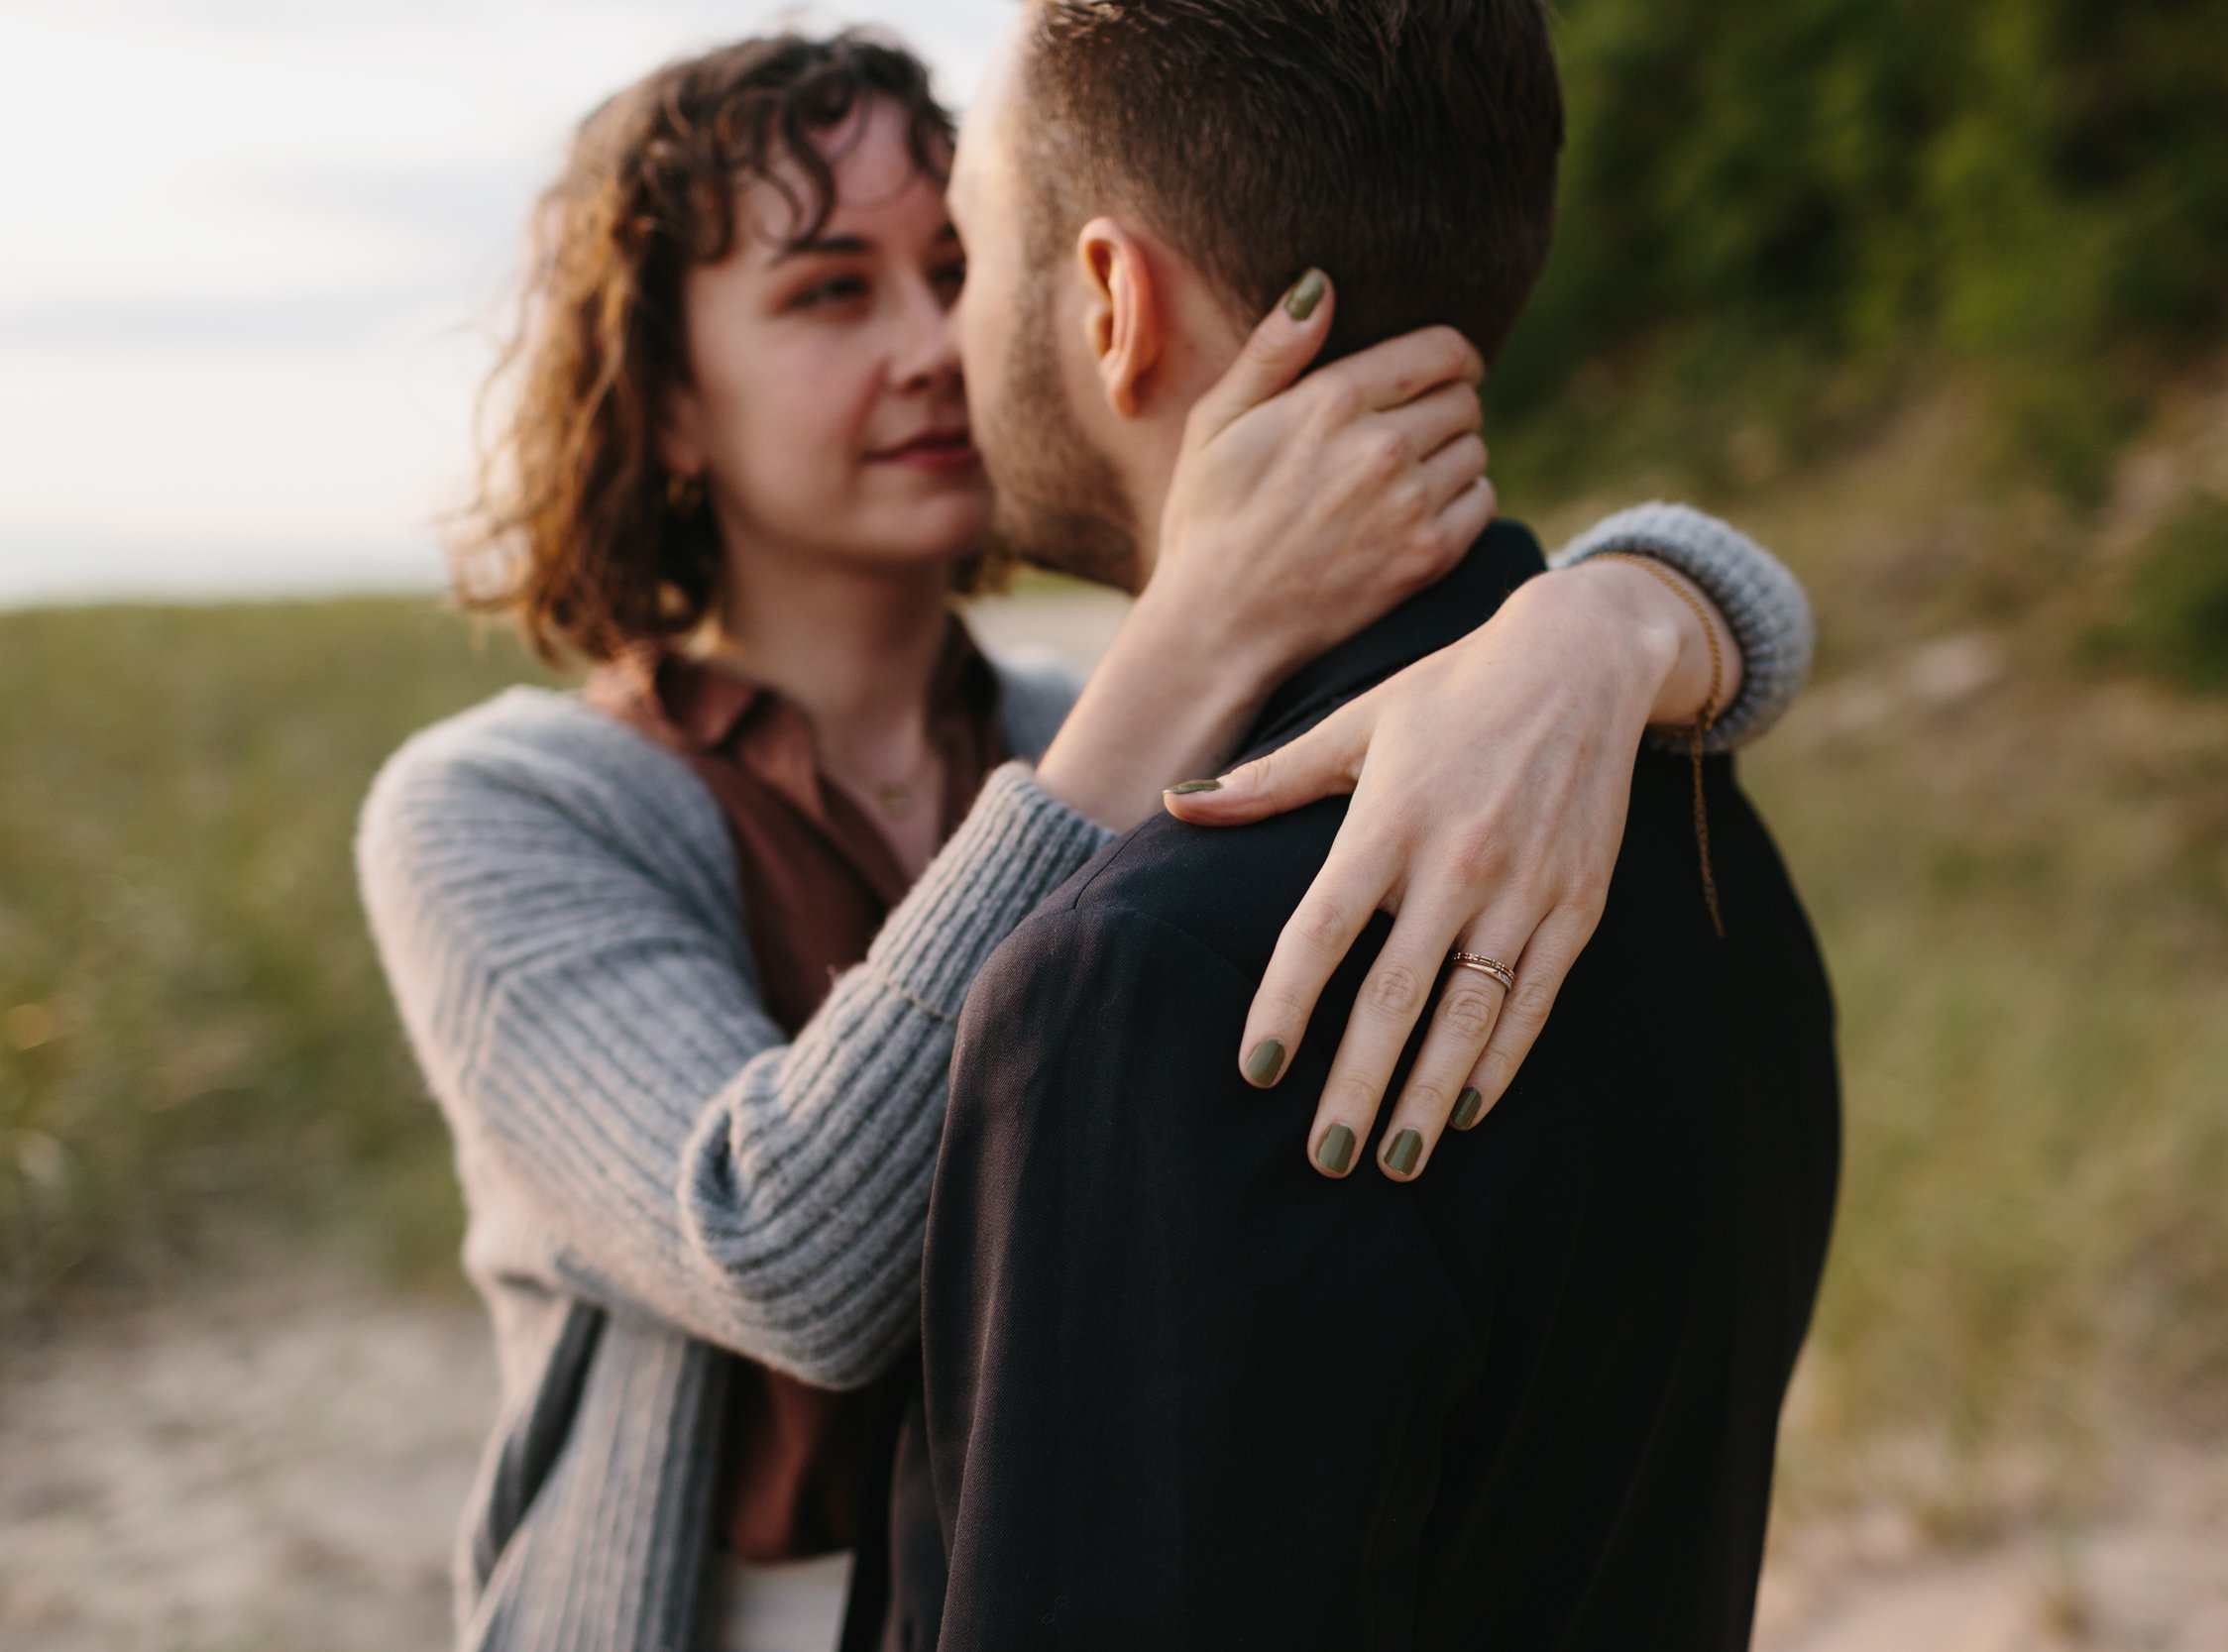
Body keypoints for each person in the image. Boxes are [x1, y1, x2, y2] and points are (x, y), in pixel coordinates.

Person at [355, 28, 1814, 1652]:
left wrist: (1609, 619)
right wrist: (1194, 632)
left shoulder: (1098, 738)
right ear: (667, 402)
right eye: (832, 291)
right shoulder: (499, 808)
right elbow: (780, 1259)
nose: (928, 343)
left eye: (956, 264)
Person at [914, 4, 1840, 1648]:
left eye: (968, 252)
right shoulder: (1708, 832)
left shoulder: (1150, 982)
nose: (942, 332)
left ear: (1113, 302)